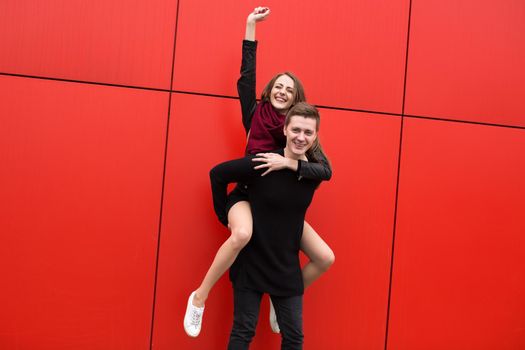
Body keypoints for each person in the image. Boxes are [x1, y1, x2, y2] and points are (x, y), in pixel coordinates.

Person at [183, 7, 334, 338]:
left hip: (280, 203)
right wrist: (250, 25)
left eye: (289, 90)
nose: (282, 91)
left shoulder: (296, 129)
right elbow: (246, 75)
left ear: (296, 101)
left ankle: (282, 303)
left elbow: (325, 168)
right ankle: (199, 296)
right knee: (241, 235)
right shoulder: (255, 113)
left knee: (324, 257)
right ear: (270, 90)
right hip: (250, 193)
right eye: (278, 86)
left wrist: (288, 162)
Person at [213, 103, 330, 349]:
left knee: (294, 338)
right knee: (243, 332)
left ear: (315, 136)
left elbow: (328, 171)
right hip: (252, 261)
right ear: (285, 130)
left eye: (308, 132)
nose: (301, 137)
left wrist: (290, 164)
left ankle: (276, 309)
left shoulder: (313, 172)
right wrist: (224, 216)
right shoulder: (263, 162)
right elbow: (218, 174)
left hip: (285, 266)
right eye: (296, 130)